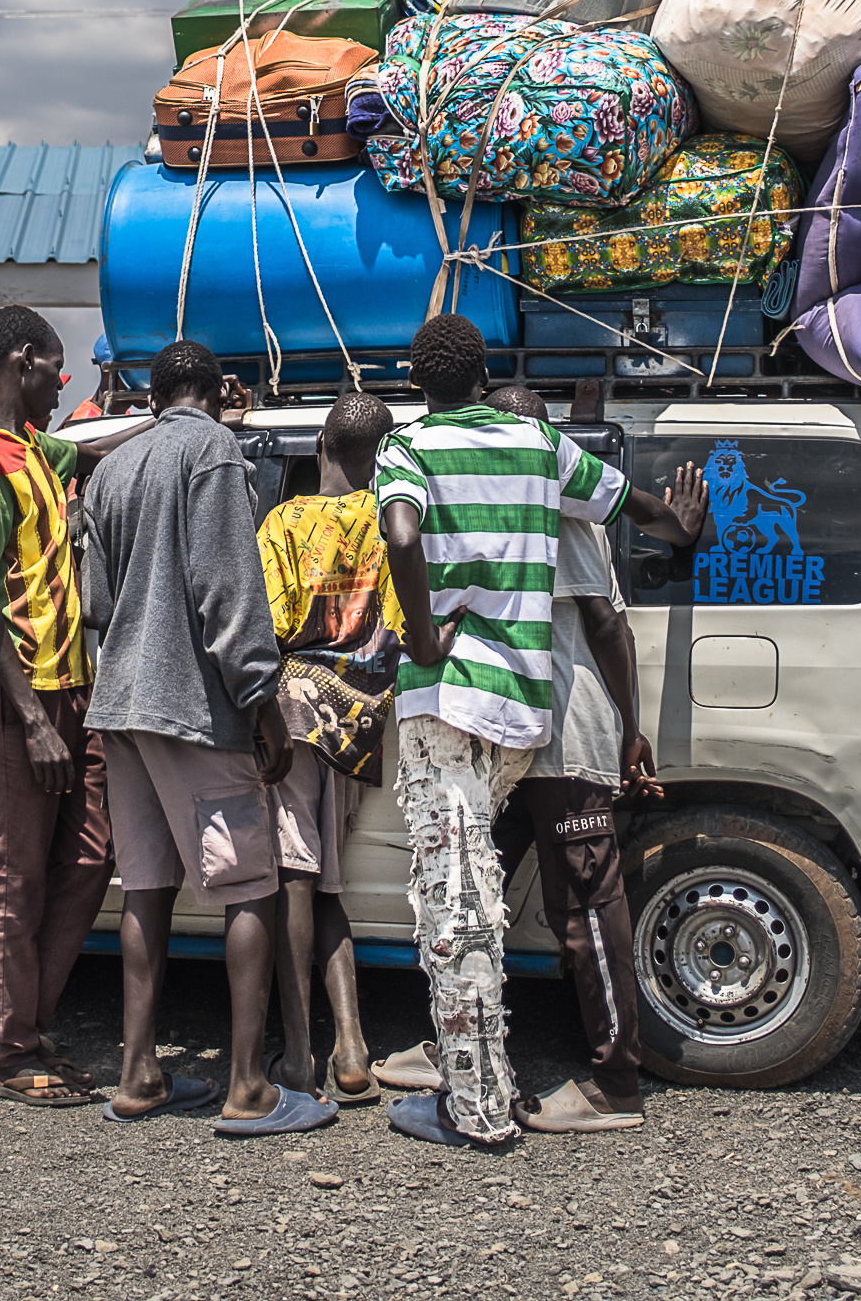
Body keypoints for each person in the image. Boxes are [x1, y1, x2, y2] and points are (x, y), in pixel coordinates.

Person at [374, 316, 707, 1149]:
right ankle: (468, 1060)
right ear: (487, 375)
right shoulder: (540, 455)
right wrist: (684, 528)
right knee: (484, 891)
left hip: (472, 705)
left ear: (418, 382)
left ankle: (487, 1101)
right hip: (525, 712)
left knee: (480, 903)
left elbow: (403, 536)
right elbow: (638, 507)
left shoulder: (411, 448)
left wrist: (420, 636)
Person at [79, 340, 329, 1135]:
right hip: (195, 706)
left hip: (121, 709)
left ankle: (139, 1072)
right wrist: (261, 701)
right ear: (215, 386)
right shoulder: (215, 451)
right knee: (250, 885)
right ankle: (250, 1086)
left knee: (146, 889)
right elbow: (229, 586)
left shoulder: (113, 465)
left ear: (153, 393)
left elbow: (95, 601)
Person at [0, 304, 147, 1108]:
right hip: (17, 699)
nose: (62, 381)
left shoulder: (35, 449)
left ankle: (29, 1022)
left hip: (70, 693)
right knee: (18, 876)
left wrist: (175, 417)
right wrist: (31, 718)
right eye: (54, 367)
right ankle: (9, 1049)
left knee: (90, 857)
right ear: (21, 360)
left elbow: (91, 444)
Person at [489, 385, 698, 1135]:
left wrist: (628, 730)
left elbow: (606, 623)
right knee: (489, 887)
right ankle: (466, 1038)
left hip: (553, 729)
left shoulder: (545, 499)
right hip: (535, 730)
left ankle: (616, 1082)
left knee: (582, 905)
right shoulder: (553, 492)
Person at [252, 390, 403, 1105]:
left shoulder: (285, 521)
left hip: (296, 715)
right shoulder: (392, 521)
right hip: (361, 723)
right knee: (330, 881)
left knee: (293, 879)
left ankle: (300, 1055)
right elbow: (402, 622)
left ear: (320, 446)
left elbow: (268, 625)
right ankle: (352, 1048)